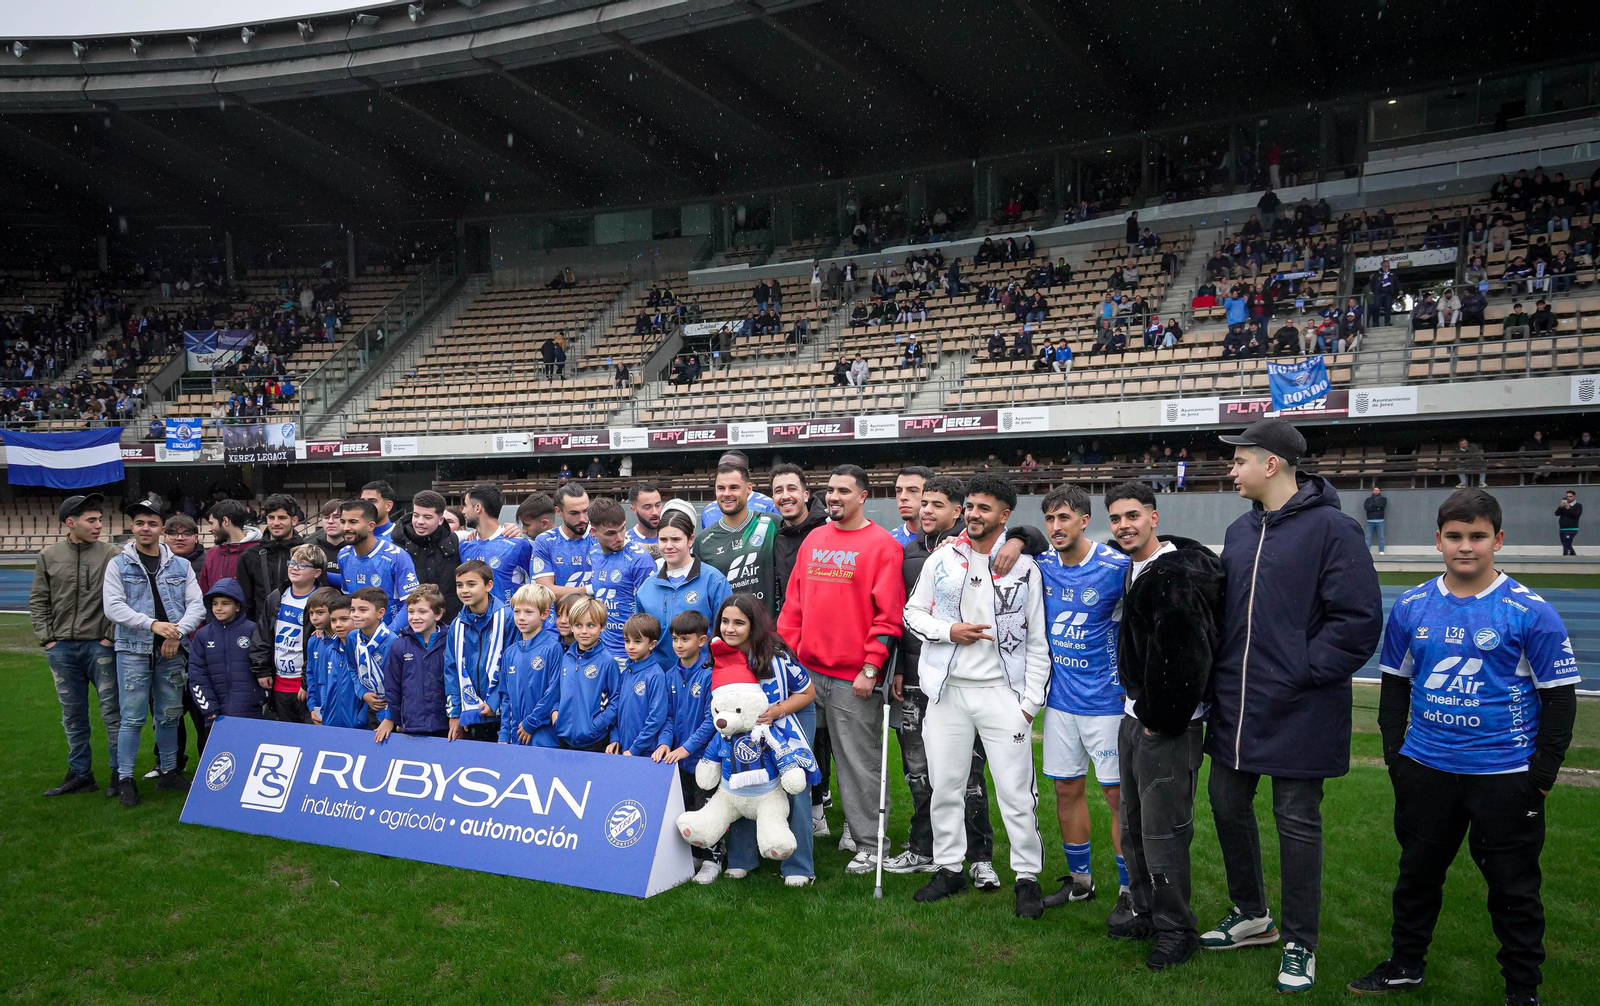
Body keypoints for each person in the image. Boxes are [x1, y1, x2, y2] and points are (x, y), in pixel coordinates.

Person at [1348, 489, 1578, 1006]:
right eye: (1455, 536)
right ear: (1438, 541)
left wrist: (1539, 774)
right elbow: (1395, 687)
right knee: (1416, 877)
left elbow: (1560, 703)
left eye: (1477, 536)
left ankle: (1522, 990)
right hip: (1426, 769)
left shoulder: (1530, 612)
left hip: (1505, 776)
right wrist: (1396, 758)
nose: (1466, 547)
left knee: (1514, 890)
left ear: (1498, 539)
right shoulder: (1411, 605)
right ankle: (1406, 965)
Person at [1203, 418, 1382, 994]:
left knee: (1297, 823)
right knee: (1227, 806)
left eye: (1240, 461)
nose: (1232, 470)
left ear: (1272, 464)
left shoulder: (1335, 530)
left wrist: (1300, 671)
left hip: (1300, 706)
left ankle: (1301, 941)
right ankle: (1252, 913)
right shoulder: (1238, 531)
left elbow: (1357, 624)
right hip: (1237, 704)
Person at [903, 474, 1048, 918]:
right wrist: (948, 631)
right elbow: (912, 612)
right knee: (944, 786)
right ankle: (950, 868)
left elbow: (1037, 643)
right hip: (947, 695)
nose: (973, 514)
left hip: (1003, 696)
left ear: (1005, 516)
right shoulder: (942, 559)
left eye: (985, 508)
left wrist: (1028, 706)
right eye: (970, 506)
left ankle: (1027, 877)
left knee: (1016, 792)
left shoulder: (1025, 568)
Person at [1102, 480, 1225, 972]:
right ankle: (1149, 911)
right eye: (1115, 518)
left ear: (1154, 517)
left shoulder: (1173, 573)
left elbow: (1189, 653)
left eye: (1132, 516)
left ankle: (1178, 931)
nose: (1124, 526)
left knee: (1162, 831)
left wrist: (1161, 718)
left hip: (1164, 724)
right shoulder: (1141, 566)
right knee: (1133, 825)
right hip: (1136, 716)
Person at [776, 465, 906, 876]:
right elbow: (793, 604)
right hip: (807, 673)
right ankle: (786, 830)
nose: (834, 497)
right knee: (790, 756)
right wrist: (792, 654)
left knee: (859, 763)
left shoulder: (883, 546)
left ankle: (871, 844)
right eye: (830, 490)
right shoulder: (814, 539)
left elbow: (889, 617)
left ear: (863, 496)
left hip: (854, 678)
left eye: (843, 491)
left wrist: (871, 667)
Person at [882, 476, 1002, 890]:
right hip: (914, 681)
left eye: (936, 504)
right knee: (918, 771)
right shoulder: (908, 552)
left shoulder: (972, 549)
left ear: (958, 510)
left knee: (967, 775)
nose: (926, 510)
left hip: (960, 683)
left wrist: (1022, 537)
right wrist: (897, 666)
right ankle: (924, 847)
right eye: (923, 502)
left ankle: (979, 856)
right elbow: (902, 613)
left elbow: (1029, 538)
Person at [1032, 486, 1132, 911]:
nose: (1056, 527)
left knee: (1118, 799)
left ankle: (1131, 891)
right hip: (1060, 704)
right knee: (1066, 789)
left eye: (1064, 518)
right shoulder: (1041, 565)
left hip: (1108, 704)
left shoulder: (1116, 567)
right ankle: (1081, 882)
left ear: (1084, 520)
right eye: (1050, 519)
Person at [102, 500, 205, 805]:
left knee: (170, 714)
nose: (145, 528)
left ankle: (170, 772)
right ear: (132, 528)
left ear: (161, 528)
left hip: (172, 649)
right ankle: (125, 778)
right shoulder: (118, 564)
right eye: (139, 523)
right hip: (133, 650)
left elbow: (196, 605)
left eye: (151, 523)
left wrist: (177, 631)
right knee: (132, 717)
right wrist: (154, 625)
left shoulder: (181, 565)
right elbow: (114, 607)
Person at [714, 595, 820, 887]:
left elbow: (808, 693)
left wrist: (775, 711)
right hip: (743, 730)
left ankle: (798, 865)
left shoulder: (777, 654)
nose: (730, 628)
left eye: (739, 622)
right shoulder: (719, 654)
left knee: (793, 787)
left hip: (789, 718)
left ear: (754, 625)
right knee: (743, 780)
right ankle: (742, 858)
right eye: (725, 621)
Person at [32, 493, 122, 797]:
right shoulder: (48, 555)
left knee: (113, 714)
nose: (99, 525)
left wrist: (110, 635)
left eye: (99, 518)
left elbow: (123, 598)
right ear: (71, 523)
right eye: (91, 520)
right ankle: (81, 774)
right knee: (72, 715)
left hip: (101, 647)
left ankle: (118, 774)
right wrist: (48, 639)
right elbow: (39, 600)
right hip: (62, 650)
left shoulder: (113, 554)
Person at [662, 610, 720, 883]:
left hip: (705, 759)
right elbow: (669, 716)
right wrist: (665, 743)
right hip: (680, 760)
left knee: (707, 810)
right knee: (687, 808)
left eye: (685, 639)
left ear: (702, 640)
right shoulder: (670, 674)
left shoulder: (710, 673)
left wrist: (687, 747)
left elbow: (712, 720)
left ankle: (713, 859)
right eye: (674, 639)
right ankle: (694, 856)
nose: (678, 645)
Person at [635, 511, 731, 668]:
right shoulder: (646, 589)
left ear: (690, 540)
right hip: (660, 679)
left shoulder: (714, 581)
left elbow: (727, 634)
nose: (669, 546)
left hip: (703, 676)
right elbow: (639, 639)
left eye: (676, 539)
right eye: (663, 540)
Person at [247, 543, 327, 724]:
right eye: (292, 562)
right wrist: (262, 670)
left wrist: (308, 684)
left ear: (317, 573)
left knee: (312, 736)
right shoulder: (276, 597)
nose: (294, 567)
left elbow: (320, 651)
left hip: (307, 687)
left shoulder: (322, 602)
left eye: (303, 565)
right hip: (279, 684)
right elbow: (262, 636)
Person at [696, 462, 782, 617]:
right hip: (728, 632)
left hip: (770, 631)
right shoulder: (703, 540)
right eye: (721, 488)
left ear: (749, 489)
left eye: (734, 487)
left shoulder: (772, 524)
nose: (726, 493)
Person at [444, 559, 516, 742]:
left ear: (488, 585)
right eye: (459, 585)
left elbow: (511, 667)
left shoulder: (508, 618)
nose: (464, 590)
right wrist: (454, 713)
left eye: (471, 584)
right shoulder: (457, 624)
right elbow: (451, 670)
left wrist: (495, 702)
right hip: (470, 715)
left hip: (502, 713)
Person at [186, 578, 264, 734]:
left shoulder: (253, 630)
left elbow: (264, 668)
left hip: (250, 712)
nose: (219, 608)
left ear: (237, 606)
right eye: (215, 604)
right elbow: (196, 675)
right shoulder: (203, 636)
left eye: (225, 603)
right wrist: (208, 707)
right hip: (215, 714)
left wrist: (261, 700)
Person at [374, 584, 450, 741]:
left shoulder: (452, 640)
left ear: (438, 614)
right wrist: (392, 718)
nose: (415, 617)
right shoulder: (399, 645)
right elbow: (393, 688)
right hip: (411, 725)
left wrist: (457, 717)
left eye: (422, 612)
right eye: (411, 612)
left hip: (447, 725)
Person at [492, 582, 563, 747]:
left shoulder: (553, 649)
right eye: (517, 611)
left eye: (528, 612)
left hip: (544, 737)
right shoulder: (510, 653)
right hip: (515, 736)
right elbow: (506, 697)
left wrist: (530, 723)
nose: (521, 617)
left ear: (545, 614)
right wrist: (504, 734)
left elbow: (554, 693)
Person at [585, 497, 658, 655]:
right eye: (610, 533)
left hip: (630, 653)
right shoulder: (594, 553)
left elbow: (653, 613)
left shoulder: (640, 560)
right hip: (600, 649)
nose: (619, 538)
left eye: (622, 529)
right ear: (593, 532)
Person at [337, 498, 419, 632]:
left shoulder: (396, 556)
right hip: (359, 639)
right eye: (342, 522)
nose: (346, 528)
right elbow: (347, 600)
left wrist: (388, 634)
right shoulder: (343, 555)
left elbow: (411, 603)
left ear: (371, 526)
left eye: (353, 522)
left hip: (393, 638)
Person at [554, 596, 622, 752]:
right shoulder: (566, 659)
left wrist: (596, 725)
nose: (584, 631)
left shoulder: (607, 662)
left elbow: (616, 700)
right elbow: (557, 693)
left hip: (595, 741)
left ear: (602, 627)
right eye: (578, 625)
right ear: (571, 627)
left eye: (590, 625)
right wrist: (557, 716)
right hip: (565, 737)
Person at [601, 613, 671, 758]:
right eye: (627, 641)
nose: (630, 647)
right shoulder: (626, 672)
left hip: (645, 755)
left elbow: (656, 718)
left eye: (637, 642)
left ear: (652, 644)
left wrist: (635, 749)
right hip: (623, 751)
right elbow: (617, 710)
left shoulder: (656, 675)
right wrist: (615, 738)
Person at [394, 490, 462, 624]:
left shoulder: (456, 541)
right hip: (412, 628)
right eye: (416, 515)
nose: (419, 522)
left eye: (427, 517)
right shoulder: (396, 548)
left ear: (441, 519)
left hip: (451, 627)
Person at [236, 493, 306, 626]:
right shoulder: (250, 555)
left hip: (299, 629)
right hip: (261, 632)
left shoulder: (308, 553)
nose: (276, 523)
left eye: (282, 518)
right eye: (271, 518)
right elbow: (246, 601)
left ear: (294, 520)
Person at [459, 482, 532, 607]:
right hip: (475, 623)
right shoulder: (465, 545)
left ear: (477, 508)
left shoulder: (518, 545)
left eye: (465, 506)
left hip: (508, 623)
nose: (463, 511)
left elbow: (538, 585)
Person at [308, 594, 366, 729]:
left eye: (344, 619)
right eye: (333, 620)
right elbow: (323, 685)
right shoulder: (330, 651)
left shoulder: (366, 652)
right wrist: (322, 712)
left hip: (358, 727)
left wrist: (361, 720)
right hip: (330, 723)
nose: (338, 625)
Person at [532, 483, 594, 598]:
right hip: (562, 615)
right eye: (574, 513)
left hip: (597, 615)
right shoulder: (545, 541)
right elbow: (546, 590)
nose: (582, 518)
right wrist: (590, 589)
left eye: (585, 511)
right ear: (559, 511)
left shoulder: (600, 536)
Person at [198, 499, 261, 594]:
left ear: (225, 521)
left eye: (211, 523)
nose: (210, 529)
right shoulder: (212, 553)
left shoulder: (259, 552)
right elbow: (203, 592)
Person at [891, 466, 932, 547]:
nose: (902, 497)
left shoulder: (953, 540)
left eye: (912, 491)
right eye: (898, 491)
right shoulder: (889, 542)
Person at [307, 498, 343, 572]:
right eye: (326, 517)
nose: (330, 521)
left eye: (336, 517)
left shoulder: (356, 550)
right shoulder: (310, 550)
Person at [627, 482, 665, 546]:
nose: (655, 512)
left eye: (658, 505)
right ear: (634, 510)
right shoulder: (626, 542)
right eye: (647, 507)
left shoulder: (675, 538)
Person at [1556, 490, 1581, 556]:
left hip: (1572, 528)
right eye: (1567, 496)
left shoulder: (1578, 506)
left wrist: (1568, 508)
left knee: (1567, 542)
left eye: (1570, 496)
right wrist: (1561, 507)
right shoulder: (1563, 506)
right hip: (1563, 528)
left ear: (1574, 497)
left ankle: (1567, 557)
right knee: (1565, 544)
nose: (1568, 498)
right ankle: (1573, 557)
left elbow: (1576, 515)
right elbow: (1556, 513)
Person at [1365, 485, 1389, 554]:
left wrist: (1372, 505)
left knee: (1381, 537)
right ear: (1372, 491)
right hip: (1369, 521)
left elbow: (1382, 506)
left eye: (1377, 490)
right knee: (1368, 537)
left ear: (1380, 491)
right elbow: (1367, 508)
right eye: (1375, 490)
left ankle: (1381, 551)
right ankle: (1367, 552)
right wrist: (1377, 508)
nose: (1376, 491)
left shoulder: (1383, 499)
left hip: (1380, 521)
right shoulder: (1368, 500)